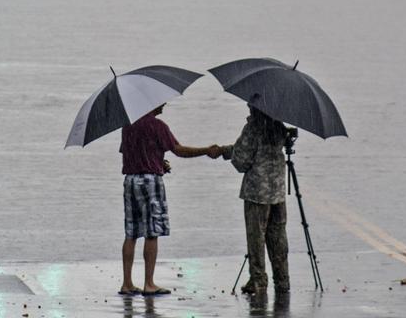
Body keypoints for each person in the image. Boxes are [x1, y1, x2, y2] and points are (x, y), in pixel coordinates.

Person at [118, 104, 221, 296]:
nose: (165, 104)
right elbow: (179, 150)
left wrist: (158, 161)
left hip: (130, 181)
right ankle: (149, 283)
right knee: (152, 232)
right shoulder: (157, 126)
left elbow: (128, 153)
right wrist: (206, 150)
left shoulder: (128, 125)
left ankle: (127, 283)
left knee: (131, 233)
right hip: (151, 182)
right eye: (162, 101)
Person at [221, 105, 290, 295]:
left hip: (257, 192)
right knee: (278, 237)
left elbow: (241, 162)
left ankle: (258, 280)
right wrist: (228, 150)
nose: (247, 106)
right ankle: (282, 279)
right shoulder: (279, 125)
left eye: (250, 103)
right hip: (277, 191)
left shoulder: (253, 127)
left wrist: (227, 153)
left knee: (256, 237)